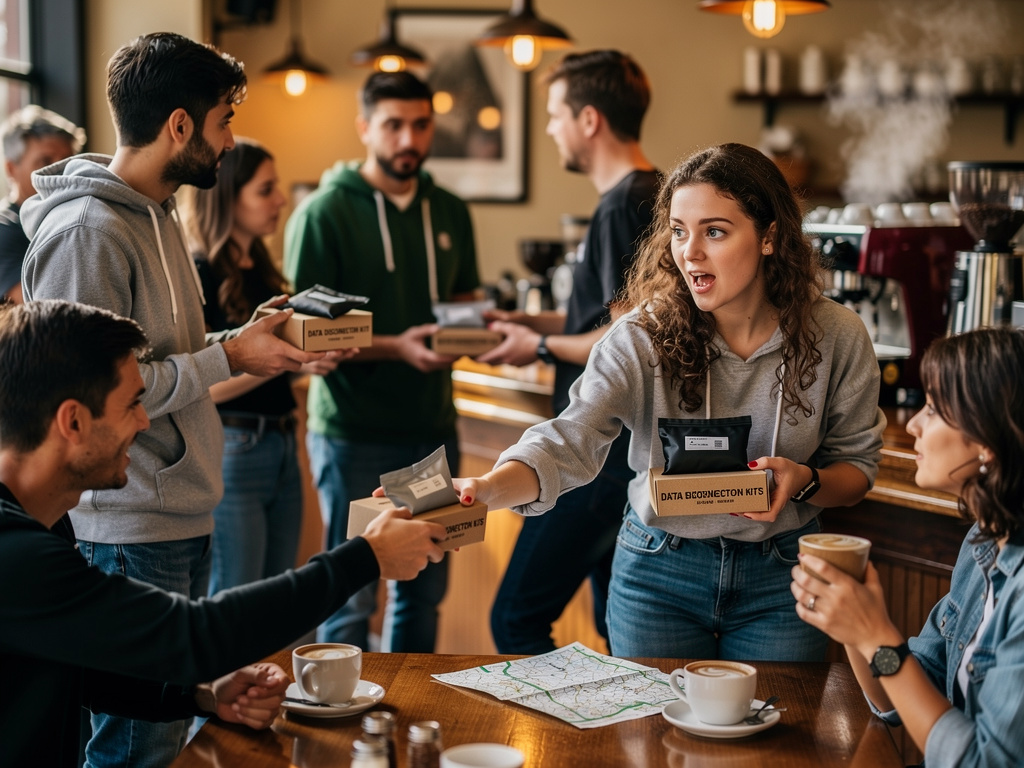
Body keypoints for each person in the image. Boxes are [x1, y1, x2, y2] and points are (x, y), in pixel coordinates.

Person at [20, 33, 334, 768]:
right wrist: (228, 353)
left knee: (162, 735)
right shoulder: (87, 231)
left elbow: (158, 357)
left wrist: (246, 339)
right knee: (138, 746)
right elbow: (88, 399)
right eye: (225, 121)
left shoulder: (156, 216)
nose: (230, 142)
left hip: (178, 513)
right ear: (181, 125)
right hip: (128, 524)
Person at [456, 143, 885, 661]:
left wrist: (806, 482)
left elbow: (857, 469)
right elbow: (570, 438)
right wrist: (485, 490)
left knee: (777, 736)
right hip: (658, 573)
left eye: (715, 231)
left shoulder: (838, 335)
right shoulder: (641, 336)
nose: (690, 252)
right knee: (652, 738)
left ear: (769, 237)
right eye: (679, 231)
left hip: (784, 578)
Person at [0, 299, 445, 768]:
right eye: (131, 403)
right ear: (73, 421)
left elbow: (78, 666)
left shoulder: (37, 530)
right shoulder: (16, 555)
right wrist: (366, 558)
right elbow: (194, 634)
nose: (145, 420)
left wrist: (201, 695)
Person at [285, 70, 480, 653]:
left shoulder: (449, 211)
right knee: (352, 591)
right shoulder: (323, 214)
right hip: (351, 433)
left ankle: (408, 714)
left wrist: (477, 330)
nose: (408, 141)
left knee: (425, 588)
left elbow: (465, 303)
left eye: (420, 125)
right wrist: (398, 345)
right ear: (365, 127)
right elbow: (305, 334)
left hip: (431, 433)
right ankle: (341, 729)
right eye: (393, 125)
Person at [475, 50, 660, 654]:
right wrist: (532, 321)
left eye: (554, 115)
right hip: (623, 458)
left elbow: (629, 336)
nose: (550, 128)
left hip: (594, 459)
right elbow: (612, 315)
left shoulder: (619, 205)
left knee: (514, 621)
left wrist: (540, 344)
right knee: (618, 627)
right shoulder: (655, 193)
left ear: (588, 120)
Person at [791, 327, 1024, 767]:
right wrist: (856, 632)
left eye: (934, 410)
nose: (913, 423)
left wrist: (875, 635)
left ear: (989, 440)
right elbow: (897, 700)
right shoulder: (984, 542)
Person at [181, 138, 343, 595]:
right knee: (237, 593)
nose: (280, 200)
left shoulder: (264, 269)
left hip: (281, 439)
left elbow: (268, 360)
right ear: (228, 196)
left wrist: (305, 362)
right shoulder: (200, 271)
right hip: (234, 445)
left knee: (276, 594)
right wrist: (274, 363)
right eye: (265, 189)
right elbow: (201, 385)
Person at [0, 105, 84, 303]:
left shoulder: (71, 217)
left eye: (67, 162)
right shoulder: (4, 231)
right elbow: (41, 311)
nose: (61, 173)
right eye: (45, 162)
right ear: (11, 169)